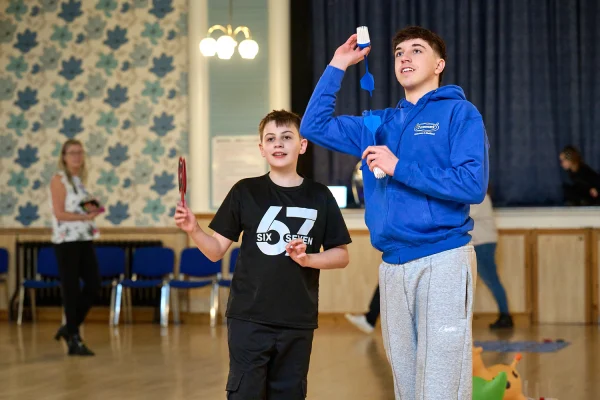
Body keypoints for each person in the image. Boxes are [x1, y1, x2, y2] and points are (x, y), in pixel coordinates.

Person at [300, 26, 488, 399]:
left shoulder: (459, 113)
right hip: (391, 267)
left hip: (444, 259)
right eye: (399, 52)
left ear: (439, 65)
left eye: (417, 50)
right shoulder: (378, 123)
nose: (405, 57)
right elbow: (313, 126)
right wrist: (338, 63)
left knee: (440, 385)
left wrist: (398, 166)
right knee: (406, 385)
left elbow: (472, 185)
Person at [174, 110, 352, 400]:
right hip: (248, 317)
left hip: (298, 319)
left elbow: (341, 255)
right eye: (270, 139)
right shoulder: (245, 191)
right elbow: (215, 252)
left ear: (302, 145)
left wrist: (308, 259)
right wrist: (193, 229)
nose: (278, 144)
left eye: (286, 137)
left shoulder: (321, 196)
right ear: (262, 148)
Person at [49, 139, 102, 356]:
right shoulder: (58, 180)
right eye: (72, 153)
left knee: (94, 284)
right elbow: (59, 213)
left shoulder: (79, 182)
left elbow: (85, 208)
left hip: (84, 238)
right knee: (70, 289)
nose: (77, 157)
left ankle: (69, 328)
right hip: (66, 241)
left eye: (80, 152)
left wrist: (94, 209)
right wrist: (84, 216)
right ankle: (73, 338)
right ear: (64, 157)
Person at [470, 192, 513, 329]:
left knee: (491, 280)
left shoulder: (480, 195)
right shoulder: (478, 194)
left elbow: (464, 213)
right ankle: (505, 315)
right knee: (489, 280)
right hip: (480, 242)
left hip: (482, 243)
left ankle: (505, 315)